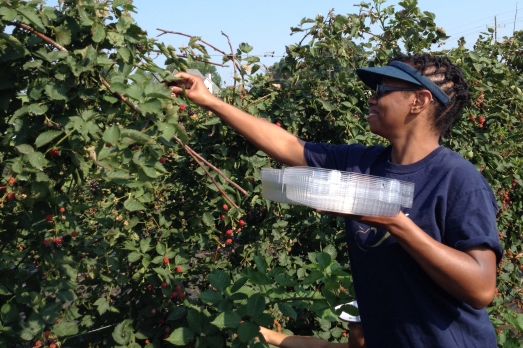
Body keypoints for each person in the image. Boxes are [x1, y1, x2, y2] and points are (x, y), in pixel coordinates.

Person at [169, 52, 502, 347]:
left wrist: (397, 224)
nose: (371, 99)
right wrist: (211, 101)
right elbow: (288, 146)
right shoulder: (362, 163)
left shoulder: (457, 180)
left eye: (383, 91)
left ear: (419, 101)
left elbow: (480, 288)